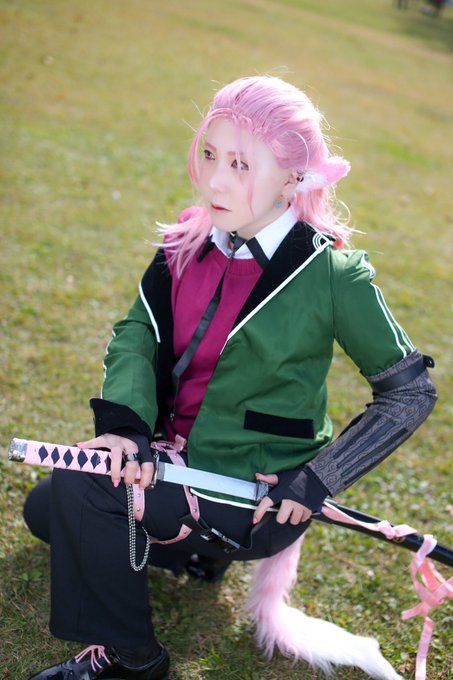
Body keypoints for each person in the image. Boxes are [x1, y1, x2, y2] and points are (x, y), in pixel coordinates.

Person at [22, 75, 437, 680]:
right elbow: (137, 334)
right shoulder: (187, 240)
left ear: (292, 179)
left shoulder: (332, 275)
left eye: (240, 165)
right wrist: (127, 429)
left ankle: (132, 660)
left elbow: (409, 393)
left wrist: (317, 479)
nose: (215, 180)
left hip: (257, 496)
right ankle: (197, 557)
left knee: (85, 495)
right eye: (211, 155)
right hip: (171, 461)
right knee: (48, 508)